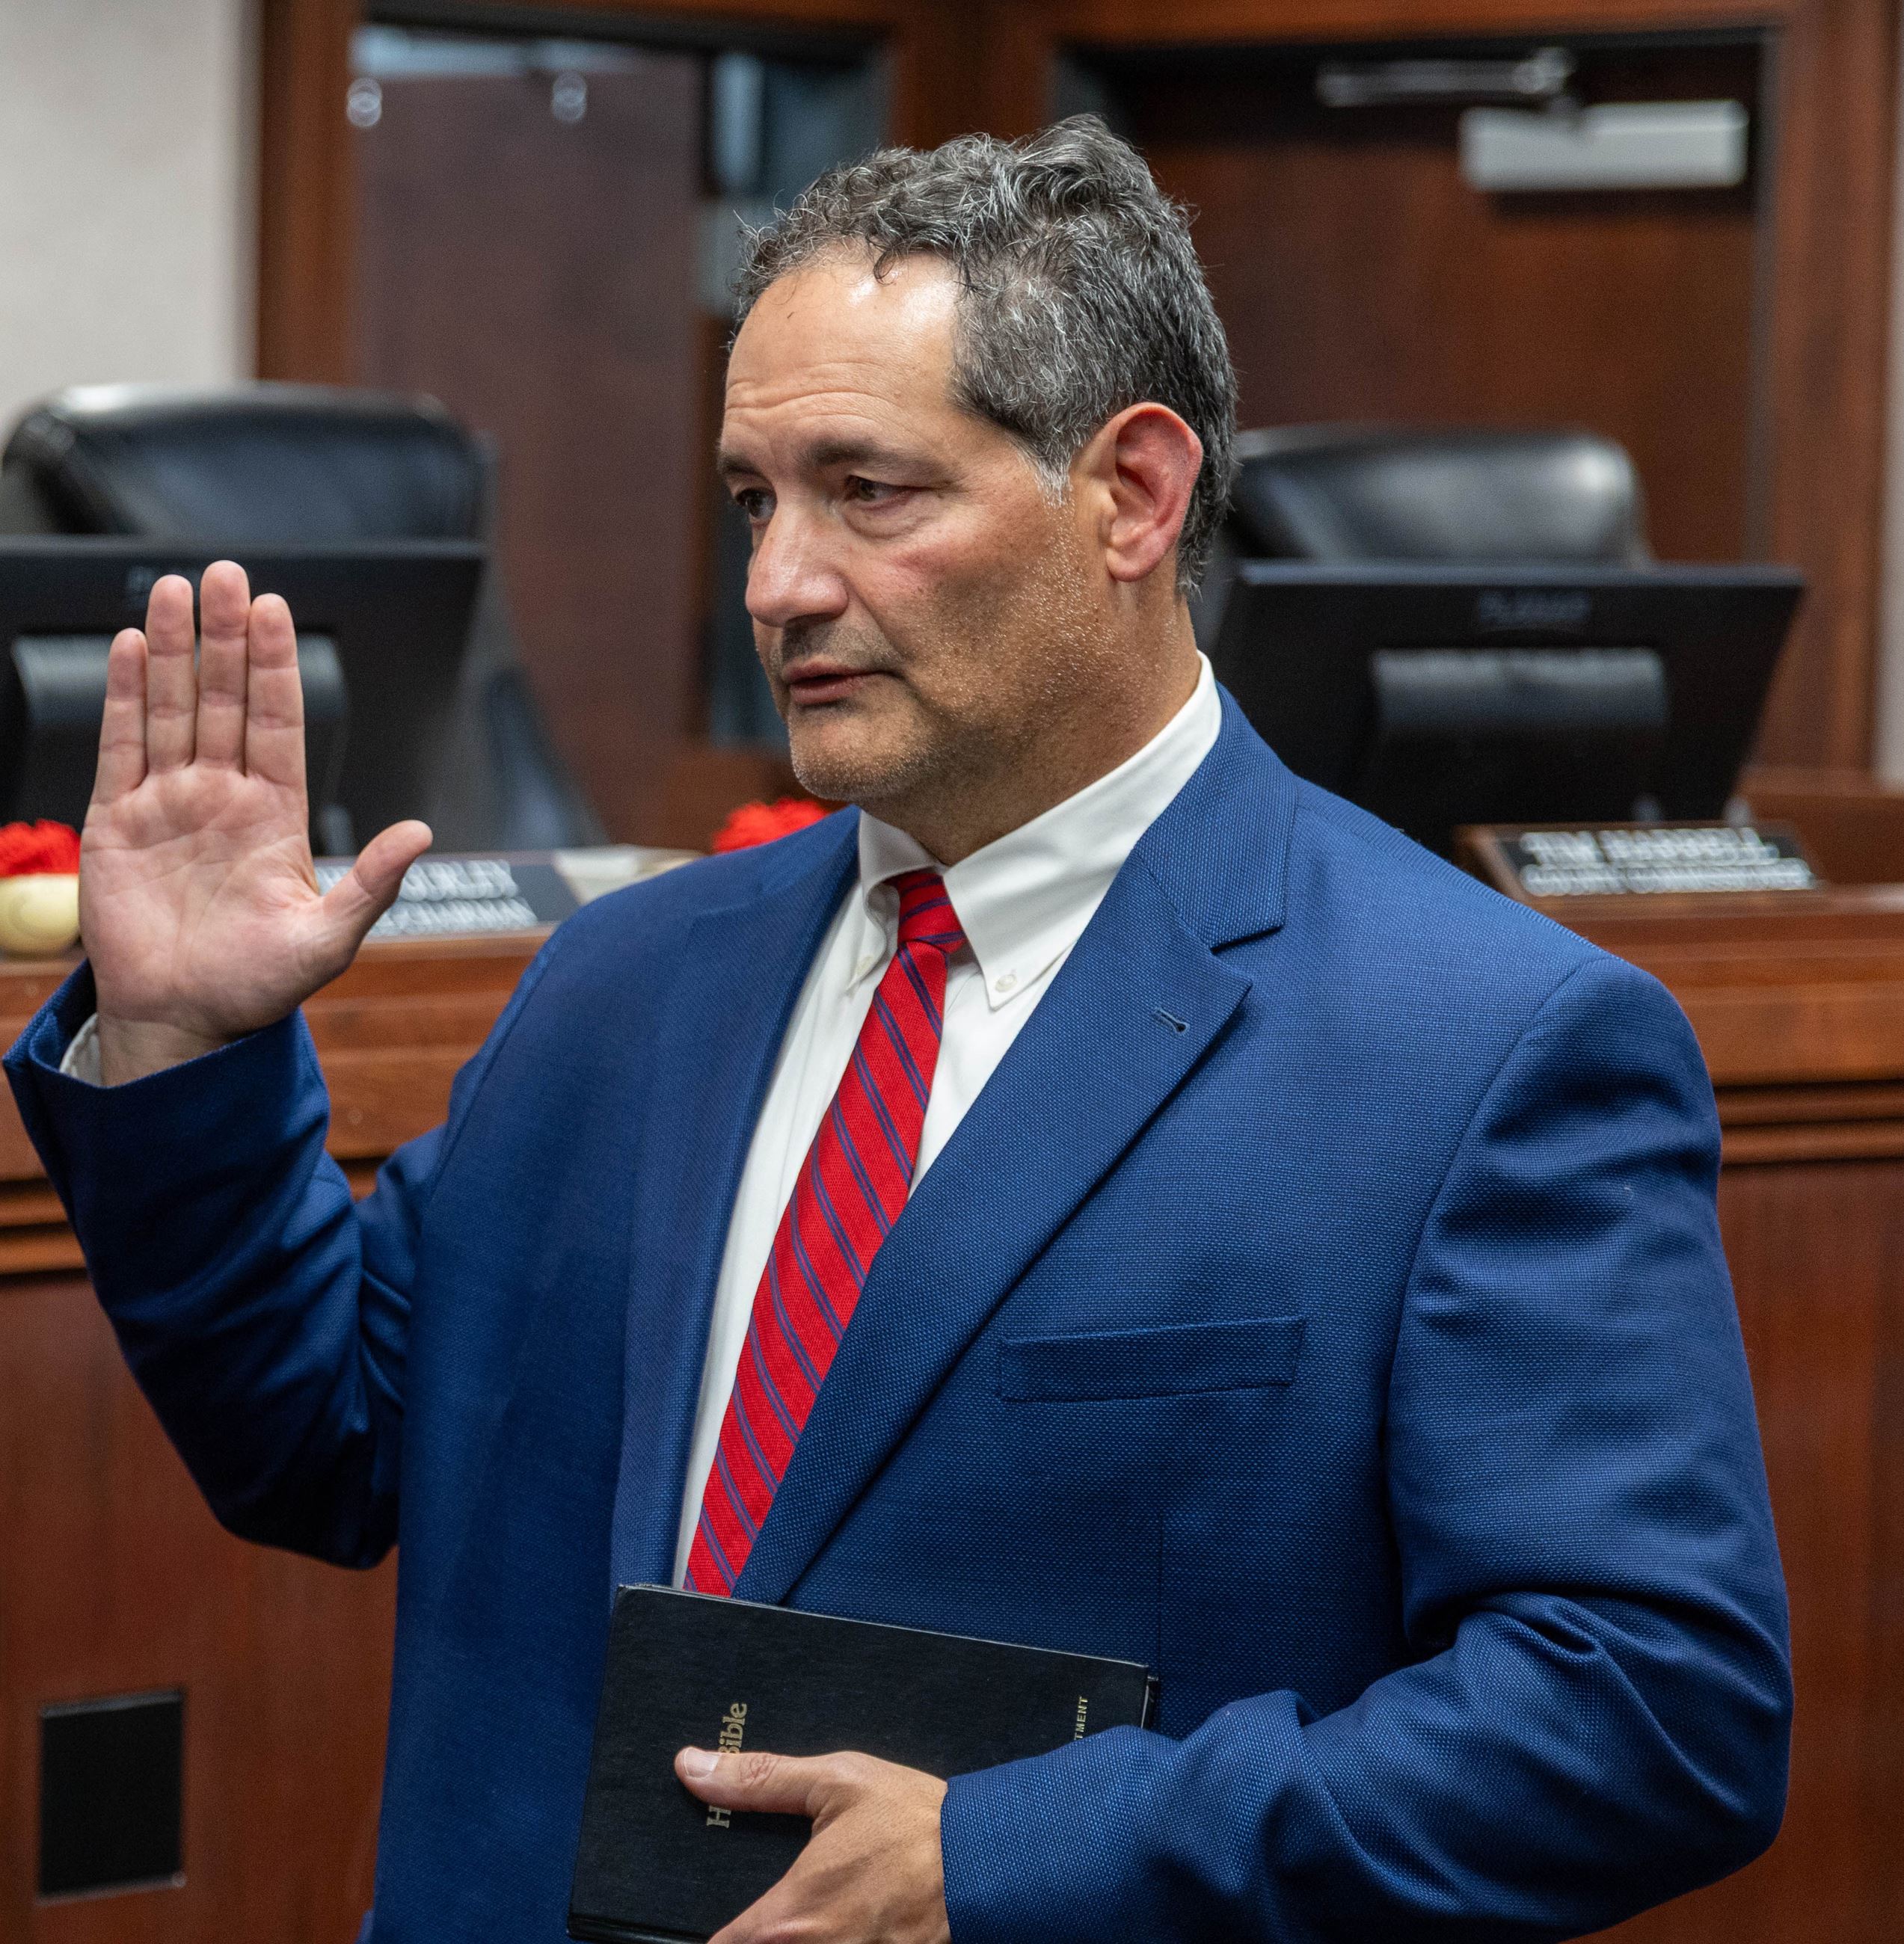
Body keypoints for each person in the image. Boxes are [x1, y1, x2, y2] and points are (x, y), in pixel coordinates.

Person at [7, 118, 1788, 1944]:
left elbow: (1647, 1707)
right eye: (754, 499)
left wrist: (1014, 1862)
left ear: (1133, 498)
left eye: (869, 491)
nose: (778, 582)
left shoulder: (1487, 1043)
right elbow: (333, 1441)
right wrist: (185, 1046)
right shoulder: (622, 986)